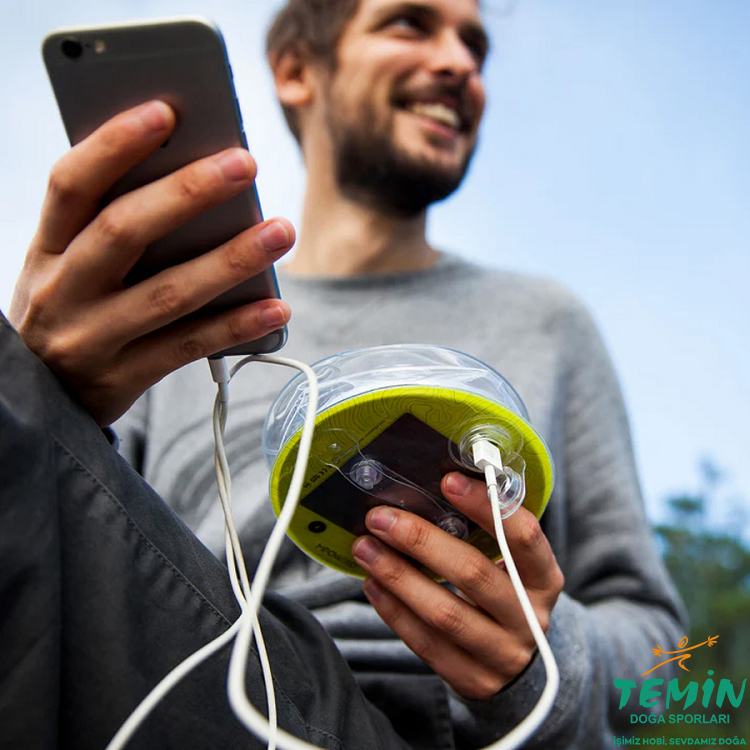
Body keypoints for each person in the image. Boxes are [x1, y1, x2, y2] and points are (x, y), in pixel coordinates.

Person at [6, 0, 684, 748]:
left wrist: (542, 661)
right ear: (298, 70)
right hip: (194, 686)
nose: (460, 64)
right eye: (410, 24)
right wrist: (44, 395)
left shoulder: (547, 321)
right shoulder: (174, 322)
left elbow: (659, 665)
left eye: (475, 46)